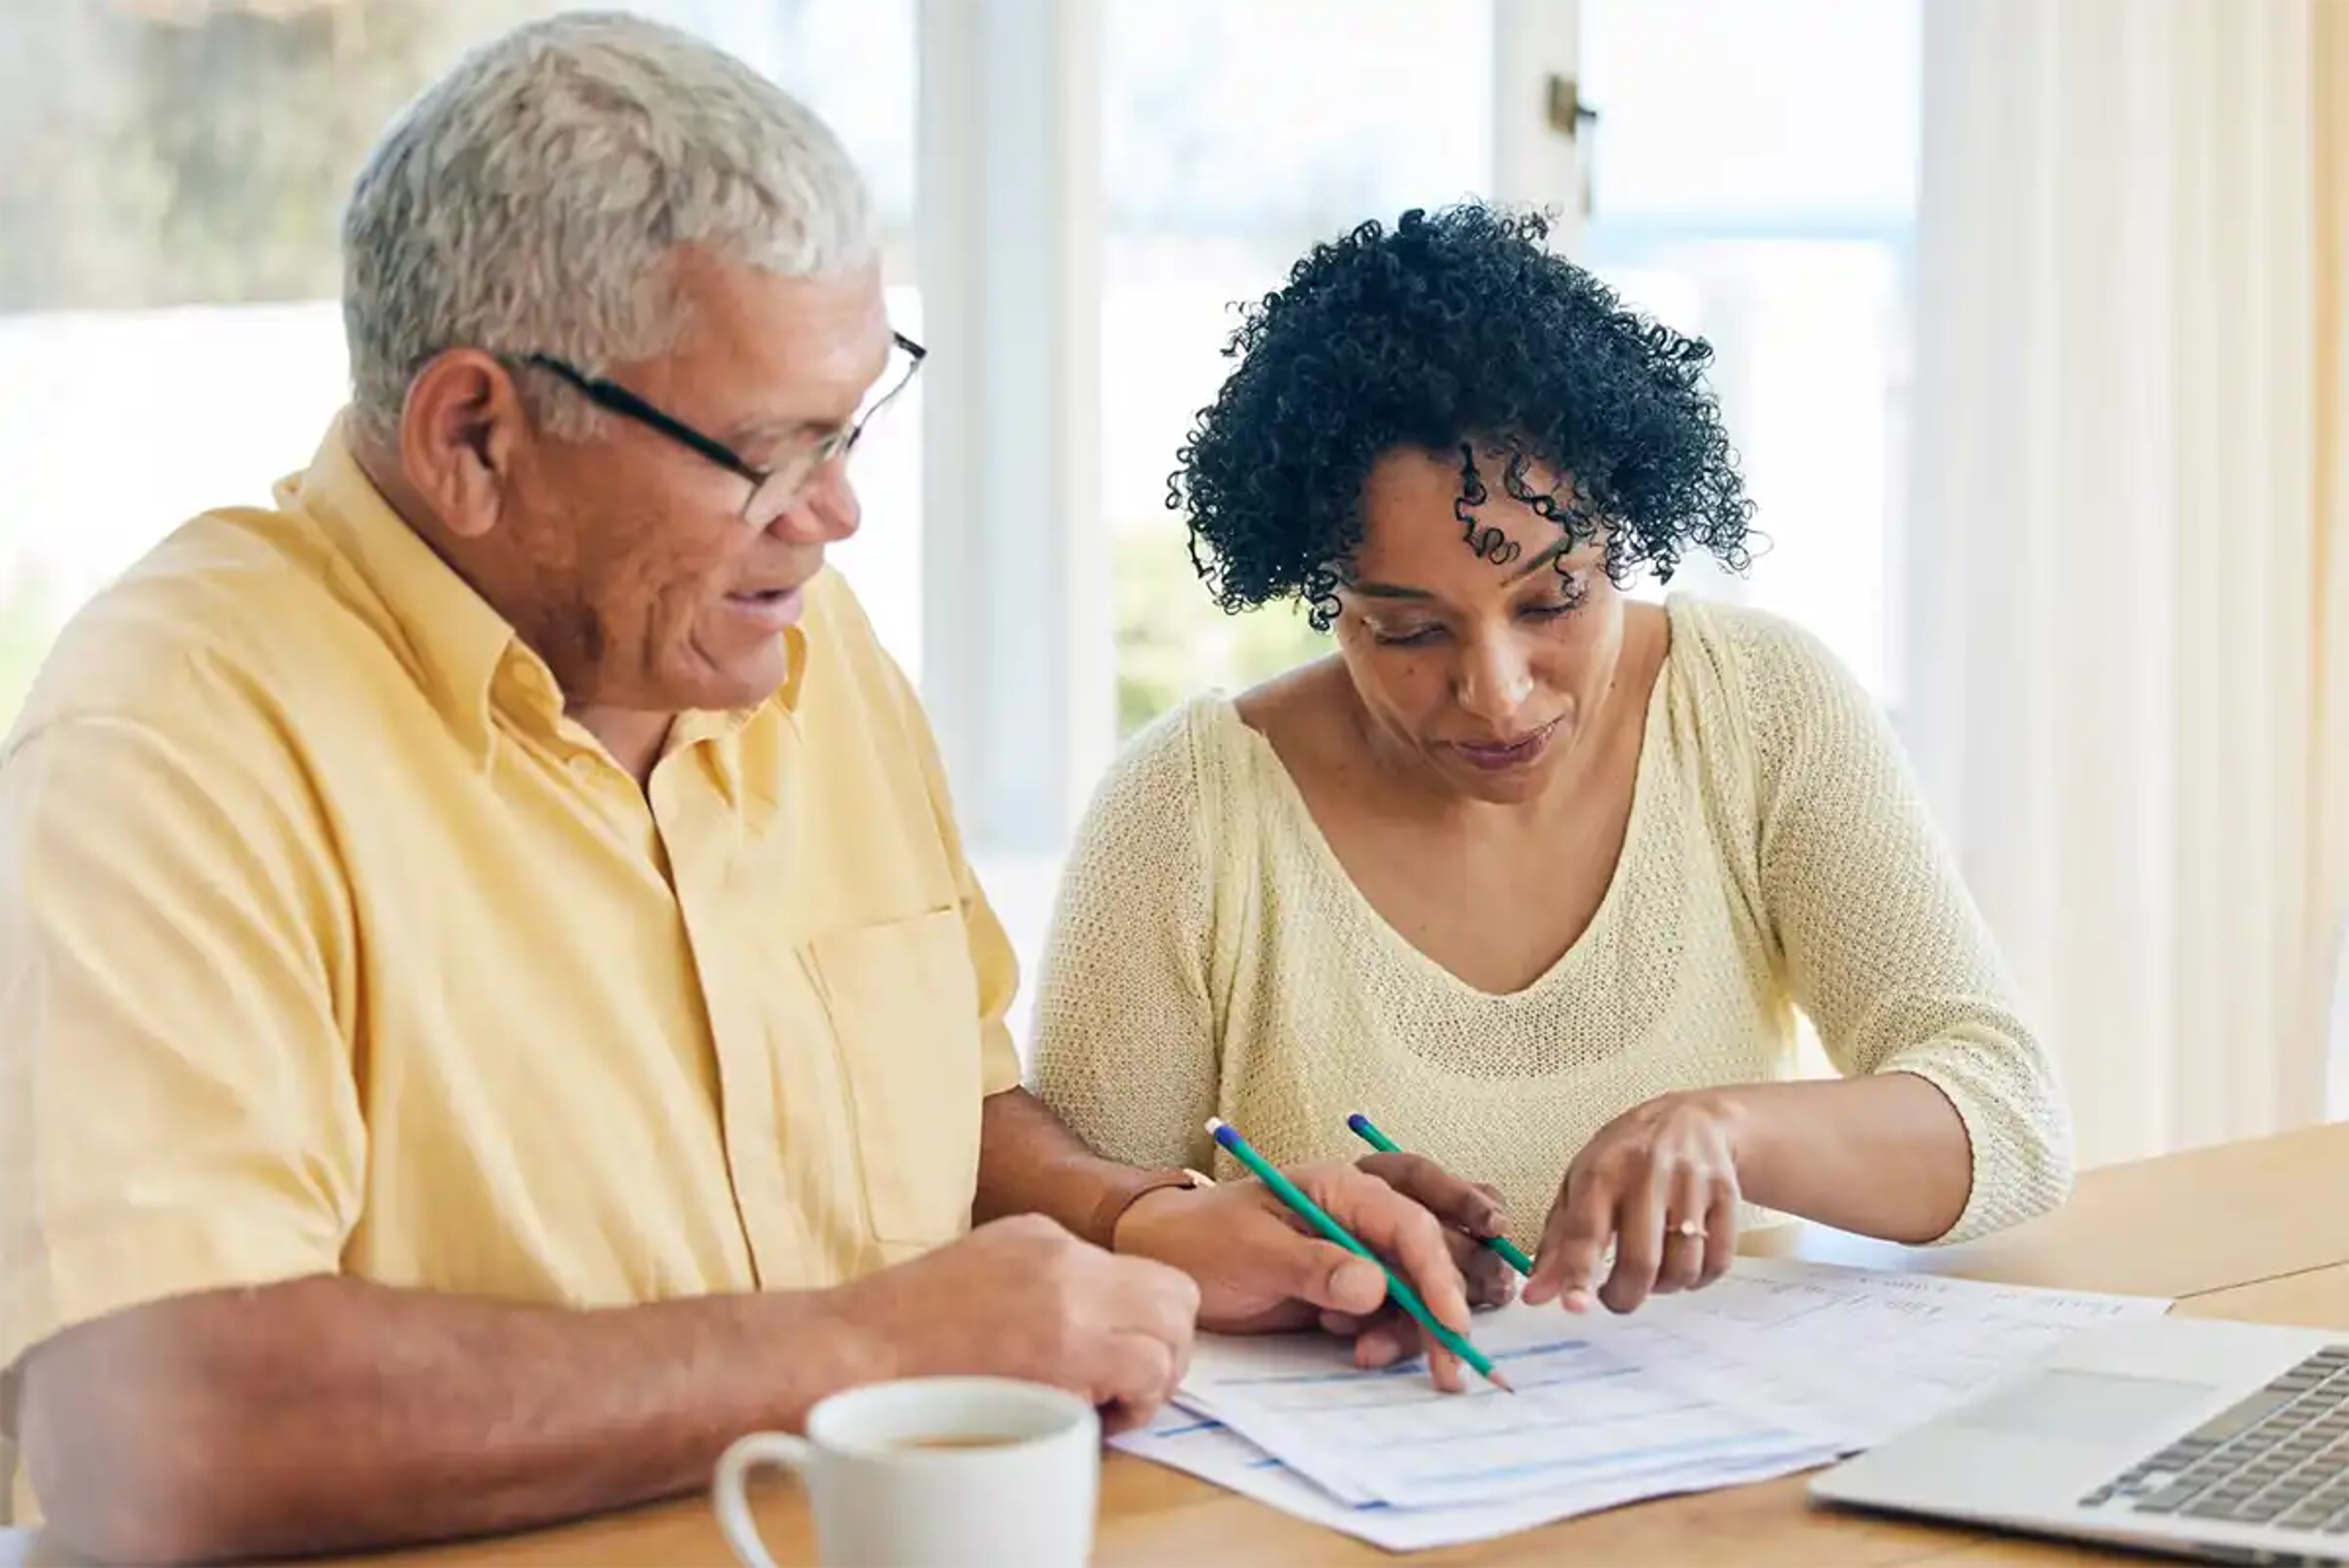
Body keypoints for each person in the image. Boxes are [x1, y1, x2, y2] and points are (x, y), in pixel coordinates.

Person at [0, 18, 1494, 1565]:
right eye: (770, 454)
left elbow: (947, 1113)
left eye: (854, 423)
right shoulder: (174, 731)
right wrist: (857, 1349)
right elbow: (158, 1426)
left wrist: (1138, 1223)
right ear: (473, 437)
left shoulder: (788, 642)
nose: (836, 514)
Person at [1030, 203, 2076, 1366]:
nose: (1498, 693)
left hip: (1710, 1485)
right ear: (1325, 589)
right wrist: (1262, 1244)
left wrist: (1729, 1130)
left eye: (1554, 600)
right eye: (1407, 629)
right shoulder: (1190, 810)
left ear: (1624, 528)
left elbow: (2010, 1119)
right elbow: (1067, 1247)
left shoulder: (1754, 706)